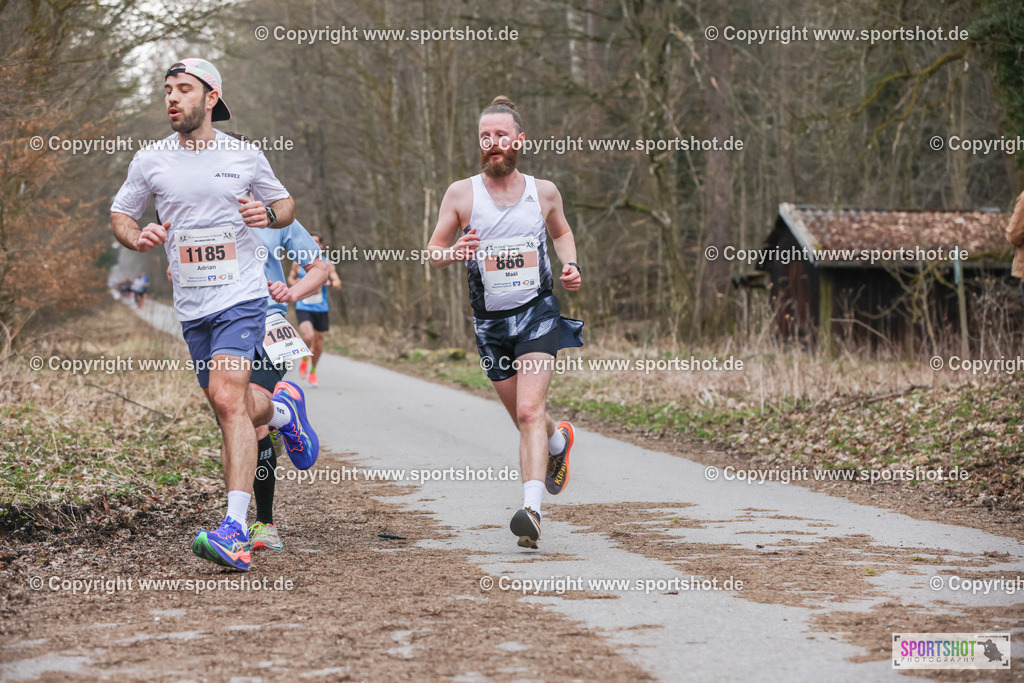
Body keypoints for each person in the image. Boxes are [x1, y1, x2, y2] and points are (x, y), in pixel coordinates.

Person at [110, 58, 319, 571]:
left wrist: (267, 213)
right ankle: (284, 413)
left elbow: (286, 205)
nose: (172, 97)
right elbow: (121, 214)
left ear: (211, 98)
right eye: (168, 89)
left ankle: (235, 529)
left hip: (242, 298)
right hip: (192, 306)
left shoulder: (244, 155)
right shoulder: (151, 160)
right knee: (230, 406)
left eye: (184, 89)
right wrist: (137, 236)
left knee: (227, 399)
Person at [426, 96, 583, 549]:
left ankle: (531, 512)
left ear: (519, 140)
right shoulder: (461, 194)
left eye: (501, 135)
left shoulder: (543, 191)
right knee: (523, 416)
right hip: (490, 324)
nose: (493, 143)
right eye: (485, 137)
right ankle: (557, 445)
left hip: (537, 313)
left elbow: (561, 232)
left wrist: (570, 264)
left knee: (530, 410)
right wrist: (452, 253)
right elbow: (433, 251)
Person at [249, 217, 329, 550]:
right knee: (233, 417)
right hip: (218, 326)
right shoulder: (199, 211)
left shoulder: (275, 214)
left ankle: (263, 524)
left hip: (268, 322)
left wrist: (291, 292)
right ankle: (282, 414)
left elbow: (320, 269)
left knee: (248, 413)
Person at [289, 233, 341, 387]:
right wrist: (298, 283)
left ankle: (312, 370)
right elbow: (290, 278)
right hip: (303, 306)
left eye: (317, 242)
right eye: (311, 241)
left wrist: (330, 283)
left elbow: (337, 282)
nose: (314, 244)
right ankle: (305, 358)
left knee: (318, 343)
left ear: (321, 246)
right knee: (308, 336)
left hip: (321, 308)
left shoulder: (327, 263)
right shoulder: (298, 262)